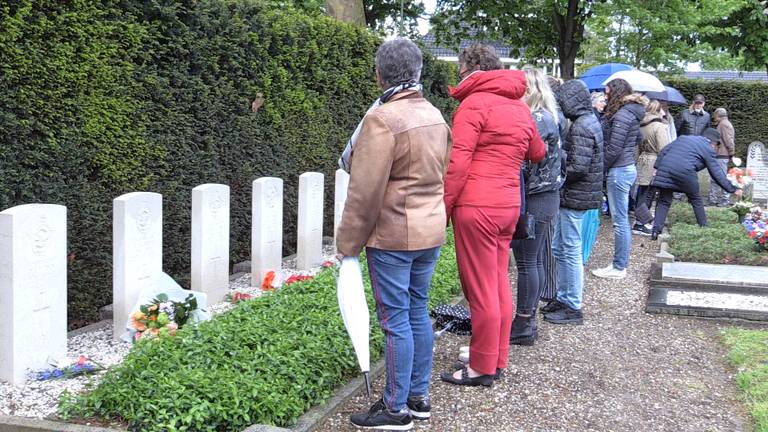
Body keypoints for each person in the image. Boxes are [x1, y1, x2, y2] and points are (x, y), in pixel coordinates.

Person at [336, 38, 452, 430]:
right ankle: (418, 397)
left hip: (393, 235)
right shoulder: (436, 115)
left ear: (379, 74)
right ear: (418, 72)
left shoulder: (382, 119)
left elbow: (364, 191)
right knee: (417, 310)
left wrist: (347, 244)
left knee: (395, 320)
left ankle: (395, 409)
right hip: (430, 229)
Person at [441, 44, 545, 386]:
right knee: (498, 283)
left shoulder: (473, 104)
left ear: (472, 69)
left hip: (477, 205)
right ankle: (496, 358)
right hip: (508, 206)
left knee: (480, 289)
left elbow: (458, 164)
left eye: (460, 68)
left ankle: (481, 367)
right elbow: (537, 152)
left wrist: (443, 209)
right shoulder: (519, 107)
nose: (458, 75)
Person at [510, 67, 564, 346]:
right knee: (533, 260)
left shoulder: (537, 120)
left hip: (536, 196)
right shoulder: (551, 115)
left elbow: (522, 159)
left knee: (527, 261)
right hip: (546, 195)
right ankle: (526, 320)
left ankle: (523, 324)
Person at [542, 79, 603, 325]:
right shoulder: (589, 121)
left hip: (575, 196)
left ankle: (573, 305)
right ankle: (564, 297)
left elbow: (578, 166)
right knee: (561, 248)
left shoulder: (580, 127)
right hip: (579, 195)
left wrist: (558, 156)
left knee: (570, 251)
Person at [591, 79, 646, 280]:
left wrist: (600, 169)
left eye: (607, 93)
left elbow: (614, 148)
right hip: (626, 167)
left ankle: (619, 266)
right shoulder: (631, 112)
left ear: (616, 92)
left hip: (619, 171)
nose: (605, 96)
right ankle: (619, 264)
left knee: (620, 222)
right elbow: (638, 139)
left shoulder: (623, 115)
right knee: (621, 220)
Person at [645, 128, 741, 240]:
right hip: (685, 171)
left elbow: (663, 152)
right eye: (717, 146)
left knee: (663, 201)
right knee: (696, 199)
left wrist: (657, 167)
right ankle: (704, 227)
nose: (716, 148)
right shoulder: (708, 148)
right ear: (713, 143)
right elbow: (716, 173)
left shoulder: (683, 138)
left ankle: (655, 231)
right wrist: (732, 189)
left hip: (665, 169)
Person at [632, 99, 669, 236]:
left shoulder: (641, 124)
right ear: (659, 110)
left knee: (641, 192)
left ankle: (640, 221)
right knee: (648, 193)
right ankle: (640, 223)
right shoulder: (658, 126)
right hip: (654, 161)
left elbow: (636, 147)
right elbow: (663, 148)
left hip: (642, 159)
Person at [709, 107, 736, 207]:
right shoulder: (723, 123)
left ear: (718, 115)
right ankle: (714, 199)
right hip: (720, 155)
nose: (713, 117)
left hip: (722, 155)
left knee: (721, 177)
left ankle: (725, 199)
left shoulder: (724, 124)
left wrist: (731, 152)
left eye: (715, 115)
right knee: (716, 177)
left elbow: (728, 139)